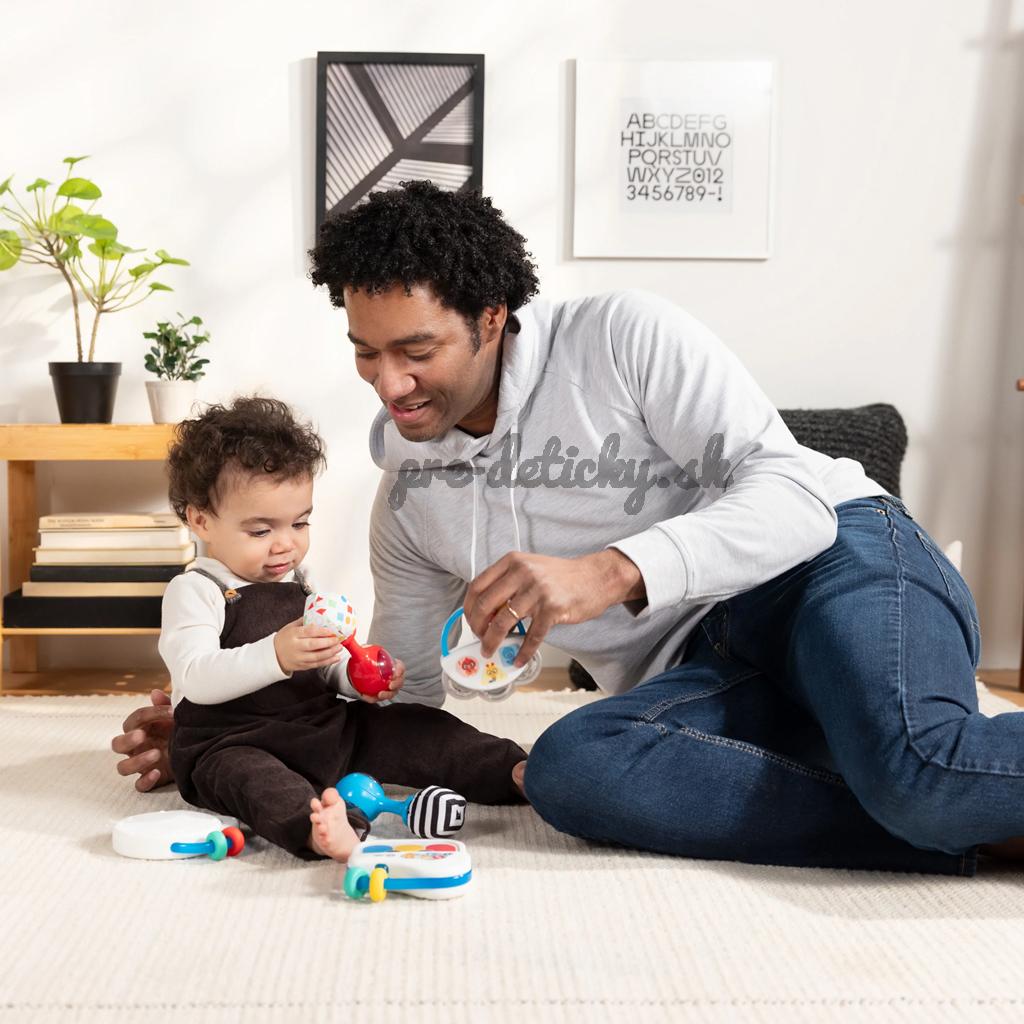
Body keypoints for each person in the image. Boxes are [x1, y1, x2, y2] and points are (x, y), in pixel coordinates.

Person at [115, 180, 1024, 875]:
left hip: (834, 562)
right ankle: (951, 822)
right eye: (366, 352)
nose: (389, 385)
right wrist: (233, 725)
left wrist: (614, 568)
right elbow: (401, 701)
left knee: (921, 769)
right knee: (570, 771)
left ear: (491, 318)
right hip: (706, 670)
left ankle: (930, 800)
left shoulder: (621, 338)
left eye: (417, 351)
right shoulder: (412, 502)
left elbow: (793, 495)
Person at [150, 395, 526, 860]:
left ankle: (511, 770)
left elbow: (324, 667)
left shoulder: (298, 584)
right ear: (201, 520)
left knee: (416, 727)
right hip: (231, 741)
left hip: (323, 729)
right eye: (261, 531)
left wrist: (355, 676)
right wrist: (276, 654)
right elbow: (194, 677)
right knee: (255, 782)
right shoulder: (197, 589)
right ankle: (319, 829)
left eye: (299, 523)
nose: (285, 545)